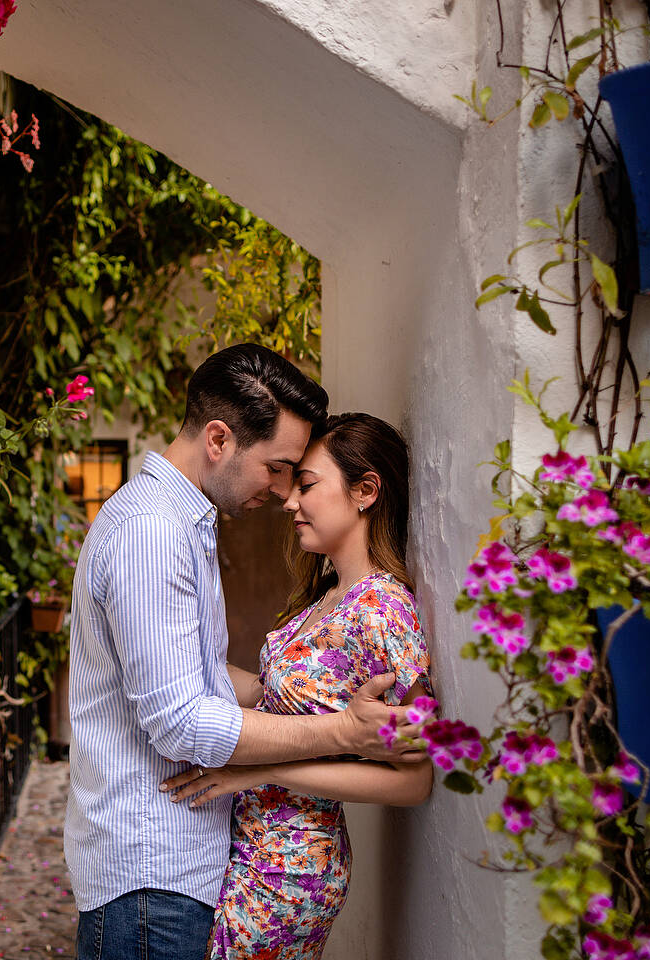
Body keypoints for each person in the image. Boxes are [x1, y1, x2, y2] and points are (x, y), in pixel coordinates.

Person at [64, 346, 431, 960]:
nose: (284, 491)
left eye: (301, 476)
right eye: (279, 466)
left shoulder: (178, 527)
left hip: (206, 871)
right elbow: (183, 721)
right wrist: (338, 728)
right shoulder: (154, 534)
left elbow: (199, 679)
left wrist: (280, 732)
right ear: (218, 439)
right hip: (156, 874)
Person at [162, 412, 433, 959]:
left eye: (307, 485)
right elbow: (274, 696)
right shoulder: (329, 596)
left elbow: (415, 780)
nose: (289, 501)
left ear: (365, 491)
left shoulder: (384, 610)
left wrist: (262, 769)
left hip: (291, 870)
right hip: (248, 846)